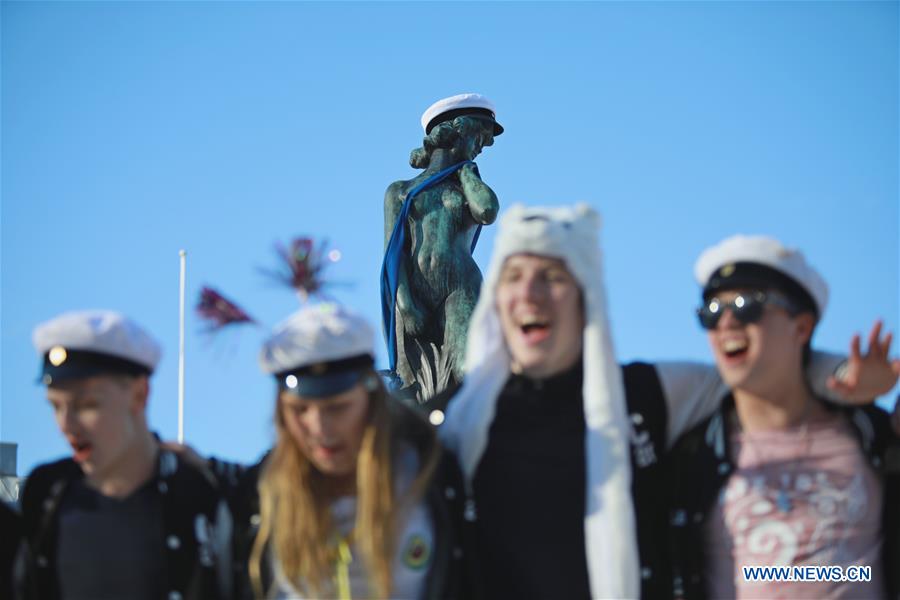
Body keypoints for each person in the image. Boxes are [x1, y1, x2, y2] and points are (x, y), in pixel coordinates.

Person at [428, 204, 899, 599]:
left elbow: (752, 371)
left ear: (585, 295)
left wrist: (842, 376)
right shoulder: (451, 421)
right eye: (512, 276)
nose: (528, 293)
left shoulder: (646, 395)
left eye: (551, 276)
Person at [666, 235, 900, 599]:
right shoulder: (687, 457)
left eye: (747, 306)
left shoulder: (874, 435)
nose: (726, 322)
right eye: (711, 311)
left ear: (802, 328)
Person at [206, 303, 469, 599]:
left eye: (338, 408)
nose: (319, 427)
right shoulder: (256, 500)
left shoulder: (430, 475)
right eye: (300, 410)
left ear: (371, 397)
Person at [15, 310, 231, 600]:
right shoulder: (42, 497)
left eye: (87, 404)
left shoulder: (201, 495)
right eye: (55, 407)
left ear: (139, 395)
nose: (66, 425)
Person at [381, 93, 502, 397]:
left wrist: (467, 174)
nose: (480, 148)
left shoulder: (466, 184)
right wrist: (406, 305)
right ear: (458, 130)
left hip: (459, 288)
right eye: (479, 138)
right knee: (412, 387)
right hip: (411, 293)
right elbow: (392, 256)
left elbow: (487, 211)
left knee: (467, 374)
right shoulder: (400, 191)